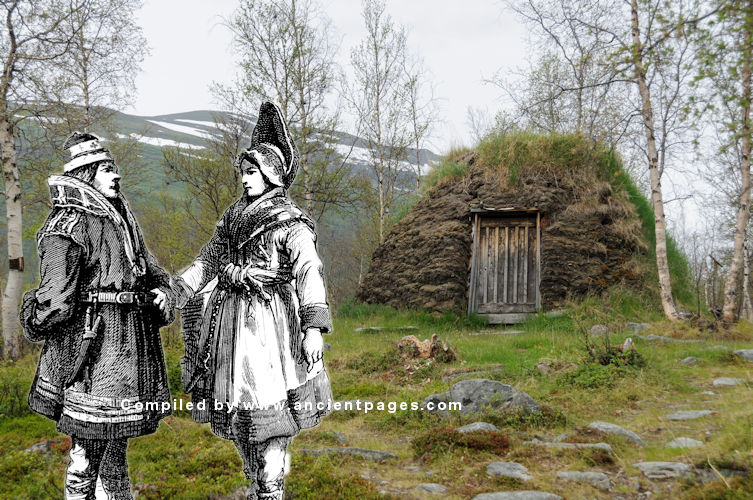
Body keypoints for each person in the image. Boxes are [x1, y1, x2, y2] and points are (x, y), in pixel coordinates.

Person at [172, 101, 333, 500]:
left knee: (272, 420)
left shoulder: (290, 221)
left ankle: (272, 488)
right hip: (231, 326)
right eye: (243, 172)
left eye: (252, 172)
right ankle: (260, 484)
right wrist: (176, 290)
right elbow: (209, 259)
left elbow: (309, 271)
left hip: (273, 325)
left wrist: (313, 329)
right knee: (243, 422)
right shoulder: (232, 218)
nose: (245, 179)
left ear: (272, 175)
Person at [20, 132, 173, 500]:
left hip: (128, 348)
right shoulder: (68, 225)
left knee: (115, 449)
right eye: (107, 169)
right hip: (90, 350)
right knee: (87, 451)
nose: (116, 176)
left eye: (115, 168)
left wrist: (164, 291)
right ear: (86, 174)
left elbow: (150, 269)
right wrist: (33, 316)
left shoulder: (122, 217)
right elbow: (56, 300)